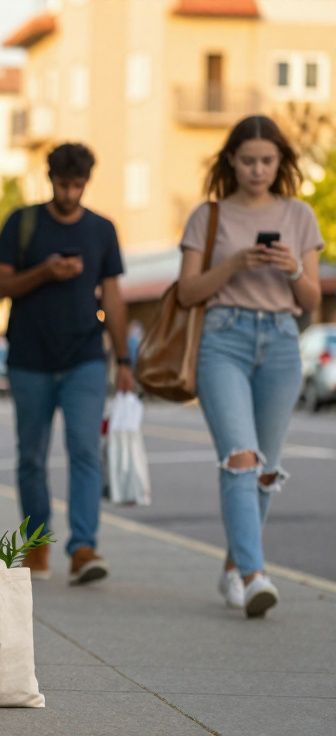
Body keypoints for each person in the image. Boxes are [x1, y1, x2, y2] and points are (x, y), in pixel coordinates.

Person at [173, 115, 321, 618]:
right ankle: (255, 574)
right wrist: (235, 263)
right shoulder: (208, 216)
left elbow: (312, 302)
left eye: (267, 160)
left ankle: (236, 566)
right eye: (248, 160)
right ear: (231, 161)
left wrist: (293, 268)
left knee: (265, 469)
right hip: (223, 340)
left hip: (280, 341)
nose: (258, 169)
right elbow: (188, 291)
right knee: (241, 456)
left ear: (280, 163)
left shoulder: (299, 215)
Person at [0, 142, 133, 586]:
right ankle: (37, 545)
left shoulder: (102, 230)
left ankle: (84, 548)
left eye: (78, 185)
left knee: (85, 451)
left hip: (85, 358)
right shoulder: (23, 223)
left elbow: (112, 294)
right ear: (49, 179)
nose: (70, 193)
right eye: (63, 184)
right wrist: (45, 272)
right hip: (30, 358)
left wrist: (124, 359)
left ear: (87, 182)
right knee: (31, 456)